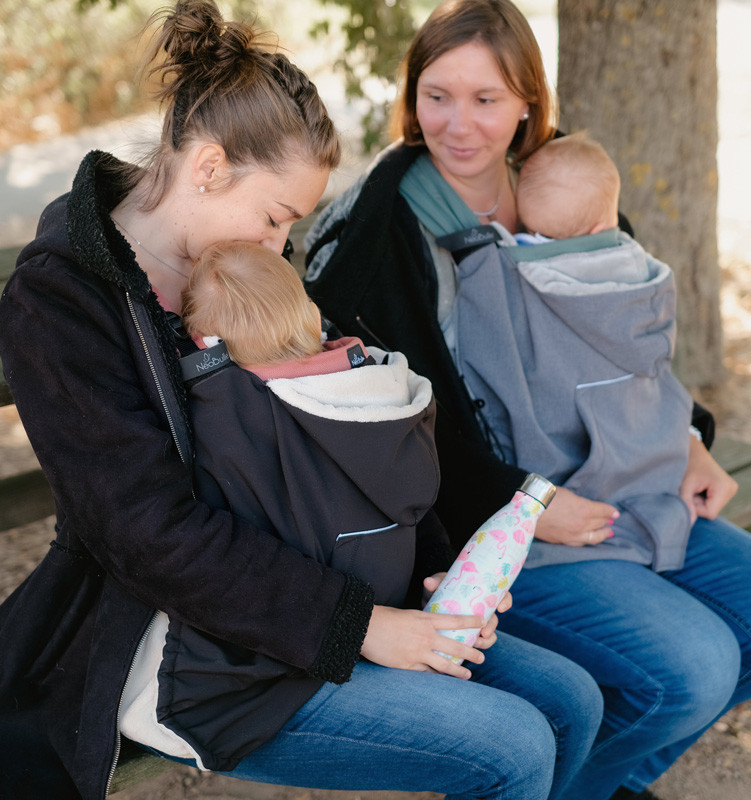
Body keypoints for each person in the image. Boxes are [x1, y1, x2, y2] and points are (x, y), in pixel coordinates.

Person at [0, 1, 603, 798]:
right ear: (209, 167)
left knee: (571, 702)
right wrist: (363, 626)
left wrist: (426, 567)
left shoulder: (238, 259)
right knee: (515, 745)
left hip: (326, 578)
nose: (281, 247)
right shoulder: (65, 299)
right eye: (276, 216)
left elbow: (337, 422)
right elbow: (146, 534)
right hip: (188, 644)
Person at [302, 0, 751, 798]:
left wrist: (691, 437)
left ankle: (593, 785)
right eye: (438, 95)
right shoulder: (374, 232)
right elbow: (374, 433)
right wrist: (527, 498)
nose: (458, 125)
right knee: (694, 668)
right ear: (411, 94)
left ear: (530, 99)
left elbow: (626, 339)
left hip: (620, 477)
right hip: (491, 524)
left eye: (487, 99)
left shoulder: (568, 185)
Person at [459, 130, 694, 572]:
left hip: (570, 498)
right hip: (653, 481)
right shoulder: (642, 276)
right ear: (603, 228)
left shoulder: (504, 270)